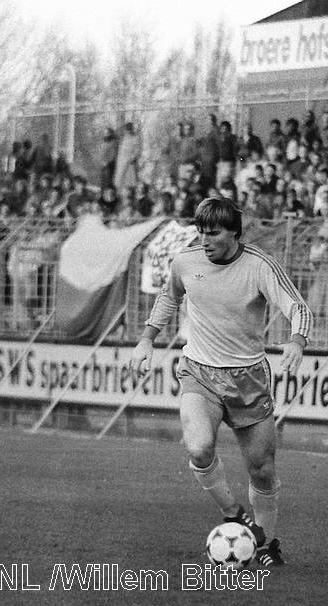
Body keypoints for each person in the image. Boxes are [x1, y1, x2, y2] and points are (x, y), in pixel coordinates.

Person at [130, 197, 312, 568]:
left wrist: (296, 340)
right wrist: (147, 338)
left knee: (262, 467)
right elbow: (169, 297)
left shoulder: (260, 266)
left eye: (213, 233)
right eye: (201, 231)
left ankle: (266, 545)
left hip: (248, 378)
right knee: (198, 448)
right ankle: (234, 514)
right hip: (199, 371)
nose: (205, 239)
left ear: (233, 233)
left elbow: (298, 306)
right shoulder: (186, 261)